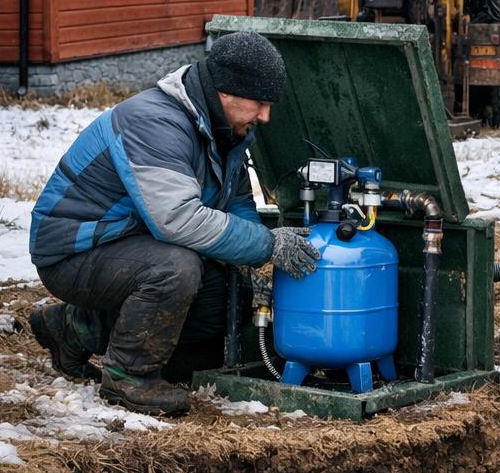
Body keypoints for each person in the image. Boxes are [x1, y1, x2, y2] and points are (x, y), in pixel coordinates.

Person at [25, 33, 320, 416]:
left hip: (131, 245)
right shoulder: (155, 123)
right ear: (226, 93)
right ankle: (128, 378)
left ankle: (75, 328)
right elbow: (177, 220)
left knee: (225, 295)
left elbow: (237, 202)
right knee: (176, 269)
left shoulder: (224, 129)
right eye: (260, 104)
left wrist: (253, 263)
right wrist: (266, 244)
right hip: (73, 251)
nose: (266, 117)